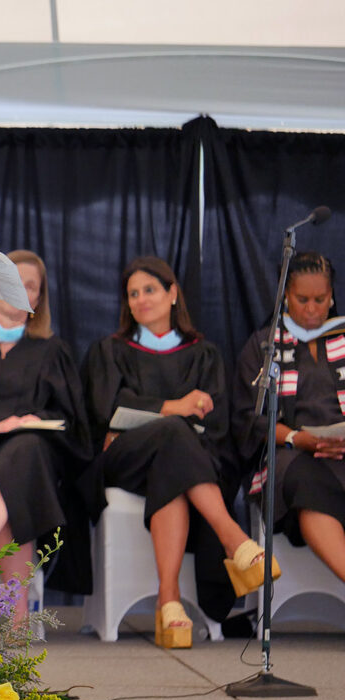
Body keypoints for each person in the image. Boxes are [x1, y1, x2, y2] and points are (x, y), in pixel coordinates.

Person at [80, 255, 275, 649]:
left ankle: (169, 602)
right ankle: (234, 540)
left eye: (149, 290)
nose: (140, 300)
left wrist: (150, 420)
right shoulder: (111, 350)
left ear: (172, 294)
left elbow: (216, 430)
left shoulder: (204, 354)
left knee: (171, 460)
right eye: (132, 294)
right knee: (172, 433)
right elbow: (108, 412)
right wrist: (176, 408)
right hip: (122, 463)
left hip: (180, 463)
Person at [0, 250, 93, 617]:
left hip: (36, 456)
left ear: (38, 300)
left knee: (24, 452)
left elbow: (70, 420)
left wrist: (25, 423)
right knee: (12, 481)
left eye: (31, 286)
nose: (21, 291)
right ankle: (17, 615)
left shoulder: (51, 350)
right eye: (12, 282)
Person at [233, 251, 345, 583]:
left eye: (320, 299)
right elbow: (247, 419)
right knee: (309, 486)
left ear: (332, 297)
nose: (311, 308)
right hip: (291, 458)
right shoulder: (264, 347)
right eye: (302, 299)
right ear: (284, 297)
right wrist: (298, 438)